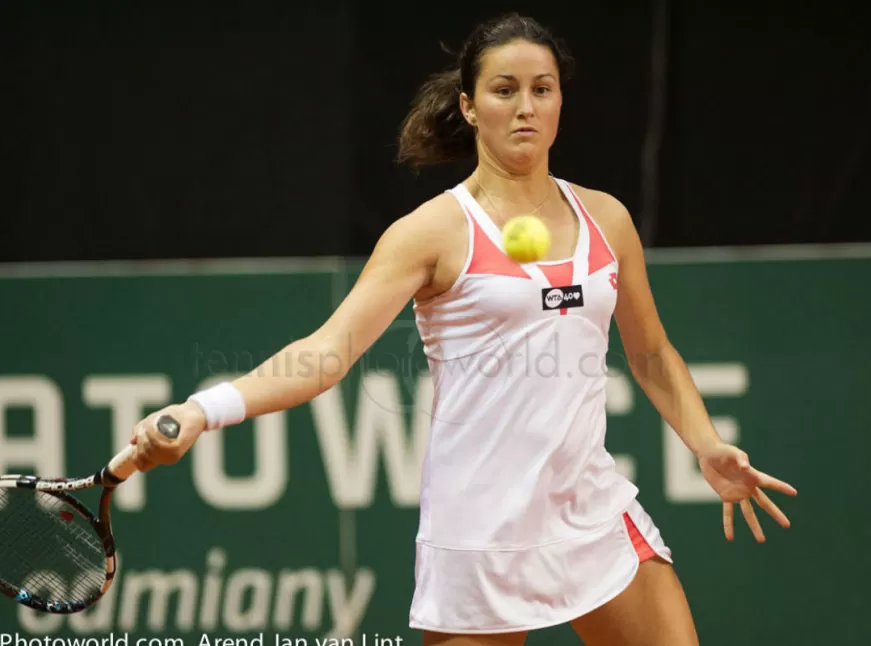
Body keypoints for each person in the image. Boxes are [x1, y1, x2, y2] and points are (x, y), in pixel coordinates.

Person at [129, 13, 797, 646]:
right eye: (505, 90)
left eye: (543, 89)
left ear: (562, 101)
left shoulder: (607, 221)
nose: (526, 106)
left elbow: (651, 352)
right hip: (480, 531)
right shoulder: (432, 232)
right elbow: (325, 355)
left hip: (589, 510)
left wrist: (706, 443)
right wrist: (202, 410)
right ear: (471, 105)